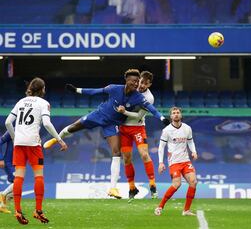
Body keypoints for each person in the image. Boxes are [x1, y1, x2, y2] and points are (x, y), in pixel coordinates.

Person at [43, 69, 169, 199]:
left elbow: (152, 110)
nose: (136, 84)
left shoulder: (139, 97)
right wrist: (77, 90)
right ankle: (56, 138)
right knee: (74, 127)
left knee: (117, 153)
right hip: (99, 114)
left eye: (138, 81)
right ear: (126, 81)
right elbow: (95, 91)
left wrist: (162, 119)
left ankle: (113, 188)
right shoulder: (114, 88)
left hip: (113, 124)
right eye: (134, 81)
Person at [5, 77, 68, 225]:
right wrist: (59, 139)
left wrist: (15, 138)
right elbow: (46, 123)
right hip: (33, 144)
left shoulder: (21, 101)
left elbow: (8, 122)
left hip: (19, 144)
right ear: (42, 89)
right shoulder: (43, 103)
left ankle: (18, 210)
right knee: (38, 176)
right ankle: (38, 211)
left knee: (19, 177)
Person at [116, 71, 158, 201]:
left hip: (138, 128)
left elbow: (139, 116)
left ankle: (152, 185)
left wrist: (125, 111)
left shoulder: (149, 98)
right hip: (124, 129)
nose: (142, 85)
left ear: (149, 84)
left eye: (146, 83)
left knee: (144, 154)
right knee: (126, 158)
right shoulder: (128, 89)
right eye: (141, 82)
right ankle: (132, 188)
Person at [154, 107, 198, 216]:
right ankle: (160, 207)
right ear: (171, 116)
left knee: (193, 182)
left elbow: (190, 142)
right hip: (174, 162)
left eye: (178, 112)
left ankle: (186, 210)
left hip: (185, 160)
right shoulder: (167, 130)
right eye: (174, 113)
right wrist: (160, 162)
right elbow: (161, 147)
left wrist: (194, 151)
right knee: (176, 184)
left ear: (181, 115)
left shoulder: (187, 128)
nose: (176, 114)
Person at [0, 132, 15, 214]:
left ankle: (2, 206)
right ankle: (3, 195)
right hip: (9, 162)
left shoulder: (26, 130)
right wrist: (0, 158)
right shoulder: (12, 130)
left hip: (17, 162)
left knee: (17, 187)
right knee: (17, 182)